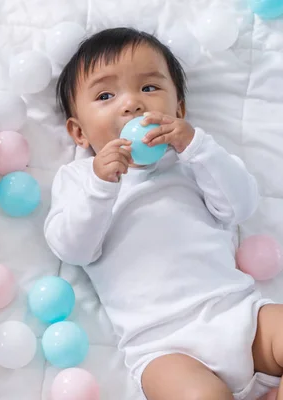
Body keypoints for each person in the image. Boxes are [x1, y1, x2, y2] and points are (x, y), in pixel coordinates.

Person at [45, 27, 283, 400]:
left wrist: (196, 146)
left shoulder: (193, 160)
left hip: (239, 311)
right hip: (163, 345)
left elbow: (240, 206)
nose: (132, 105)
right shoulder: (80, 180)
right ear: (79, 132)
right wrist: (101, 185)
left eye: (149, 88)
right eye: (106, 95)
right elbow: (72, 249)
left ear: (179, 110)